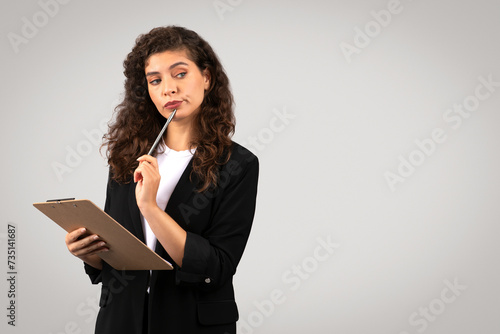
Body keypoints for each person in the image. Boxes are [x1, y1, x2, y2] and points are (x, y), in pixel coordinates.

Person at [64, 26, 259, 334]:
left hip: (191, 324)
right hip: (121, 321)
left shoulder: (238, 164)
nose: (168, 88)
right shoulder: (127, 157)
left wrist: (151, 209)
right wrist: (90, 252)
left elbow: (217, 267)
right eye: (155, 80)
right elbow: (119, 255)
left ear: (206, 78)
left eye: (180, 74)